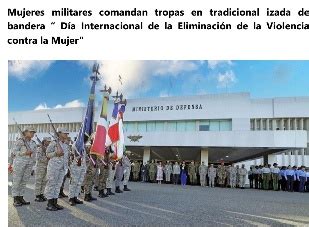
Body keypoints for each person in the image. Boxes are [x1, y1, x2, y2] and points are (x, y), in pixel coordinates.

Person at [45, 127, 70, 211]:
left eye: (67, 133)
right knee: (51, 184)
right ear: (59, 133)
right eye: (65, 133)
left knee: (58, 185)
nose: (66, 135)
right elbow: (47, 154)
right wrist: (56, 153)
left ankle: (55, 202)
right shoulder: (53, 143)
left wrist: (66, 167)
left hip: (62, 168)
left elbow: (66, 157)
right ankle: (49, 203)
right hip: (54, 167)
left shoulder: (66, 144)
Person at [12, 127, 37, 207]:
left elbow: (34, 154)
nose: (32, 133)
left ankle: (21, 197)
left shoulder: (33, 143)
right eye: (31, 132)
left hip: (29, 164)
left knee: (24, 181)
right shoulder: (20, 141)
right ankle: (16, 199)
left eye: (33, 132)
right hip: (19, 164)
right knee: (17, 181)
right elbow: (14, 151)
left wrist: (33, 164)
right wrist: (25, 152)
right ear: (25, 132)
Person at [68, 141, 87, 206]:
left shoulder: (83, 146)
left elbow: (84, 157)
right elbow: (75, 155)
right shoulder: (75, 145)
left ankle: (75, 197)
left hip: (82, 167)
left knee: (79, 183)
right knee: (74, 182)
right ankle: (71, 198)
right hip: (75, 167)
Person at [34, 137, 51, 202]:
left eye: (50, 141)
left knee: (44, 181)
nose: (49, 142)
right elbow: (38, 158)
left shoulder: (49, 149)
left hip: (46, 167)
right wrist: (47, 159)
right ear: (44, 141)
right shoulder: (40, 148)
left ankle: (41, 194)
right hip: (40, 167)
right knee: (38, 181)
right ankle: (37, 195)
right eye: (48, 141)